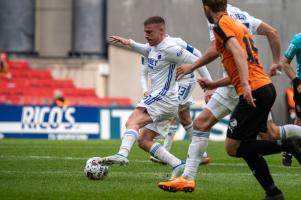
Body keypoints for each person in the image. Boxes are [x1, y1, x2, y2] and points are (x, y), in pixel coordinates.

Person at [159, 1, 301, 199]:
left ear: (206, 8)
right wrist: (205, 76)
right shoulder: (237, 23)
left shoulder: (222, 24)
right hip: (259, 88)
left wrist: (244, 85)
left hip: (251, 90)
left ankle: (289, 145)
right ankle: (273, 193)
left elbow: (238, 54)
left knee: (234, 147)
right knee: (222, 133)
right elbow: (220, 50)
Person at [98, 16, 212, 180]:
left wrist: (209, 86)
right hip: (165, 100)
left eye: (149, 32)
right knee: (144, 140)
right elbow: (145, 49)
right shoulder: (152, 47)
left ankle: (122, 154)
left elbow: (198, 60)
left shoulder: (171, 47)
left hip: (163, 97)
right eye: (145, 32)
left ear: (161, 31)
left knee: (132, 121)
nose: (146, 35)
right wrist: (128, 42)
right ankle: (177, 164)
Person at [140, 36, 210, 165]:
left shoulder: (175, 42)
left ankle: (165, 150)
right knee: (185, 118)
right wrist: (145, 89)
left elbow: (198, 54)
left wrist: (208, 81)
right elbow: (143, 73)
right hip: (172, 83)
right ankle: (202, 154)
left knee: (172, 109)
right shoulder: (147, 49)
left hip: (186, 79)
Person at [271, 32, 301, 167]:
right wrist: (296, 82)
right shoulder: (298, 39)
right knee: (299, 120)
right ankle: (289, 150)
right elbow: (284, 62)